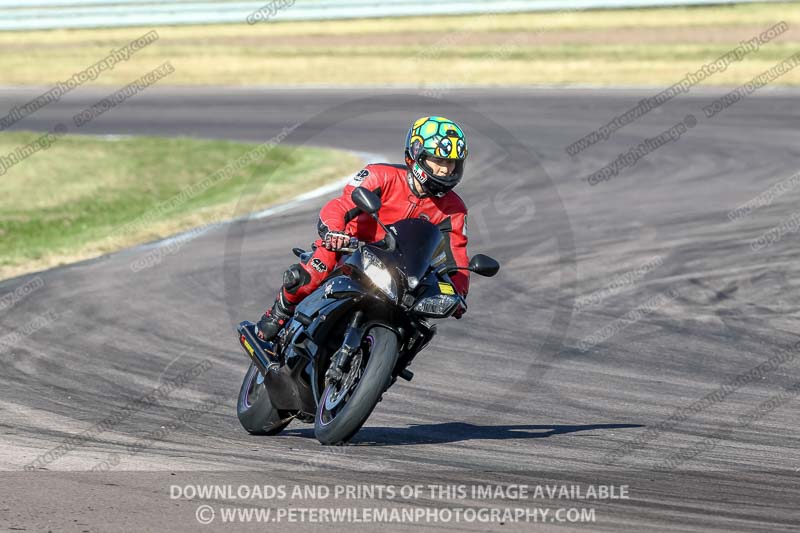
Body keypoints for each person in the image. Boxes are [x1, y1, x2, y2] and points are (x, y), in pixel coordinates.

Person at [256, 115, 471, 342]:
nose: (446, 170)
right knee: (314, 271)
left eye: (451, 163)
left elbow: (457, 256)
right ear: (417, 155)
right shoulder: (380, 175)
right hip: (352, 249)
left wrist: (458, 293)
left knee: (419, 327)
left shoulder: (454, 209)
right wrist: (334, 232)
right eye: (439, 160)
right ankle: (280, 311)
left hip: (402, 271)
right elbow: (340, 205)